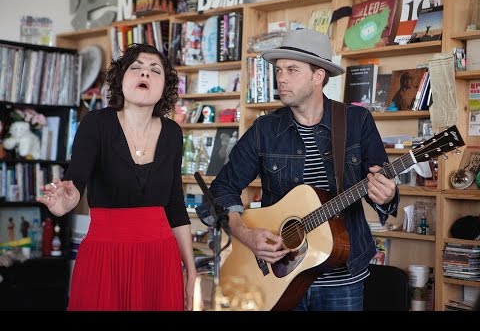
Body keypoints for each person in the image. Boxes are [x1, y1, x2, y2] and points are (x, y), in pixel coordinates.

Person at [196, 29, 399, 311]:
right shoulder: (264, 131)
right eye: (279, 70)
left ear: (319, 76)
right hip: (279, 278)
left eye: (292, 69)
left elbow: (382, 185)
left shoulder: (357, 121)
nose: (281, 78)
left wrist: (386, 195)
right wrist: (245, 233)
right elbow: (220, 190)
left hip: (342, 279)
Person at [36, 43, 196, 311]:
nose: (145, 74)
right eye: (136, 68)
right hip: (104, 256)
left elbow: (176, 206)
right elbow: (74, 181)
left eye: (154, 70)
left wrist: (190, 270)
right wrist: (67, 200)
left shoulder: (172, 133)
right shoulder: (96, 123)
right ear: (121, 79)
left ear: (165, 87)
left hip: (160, 258)